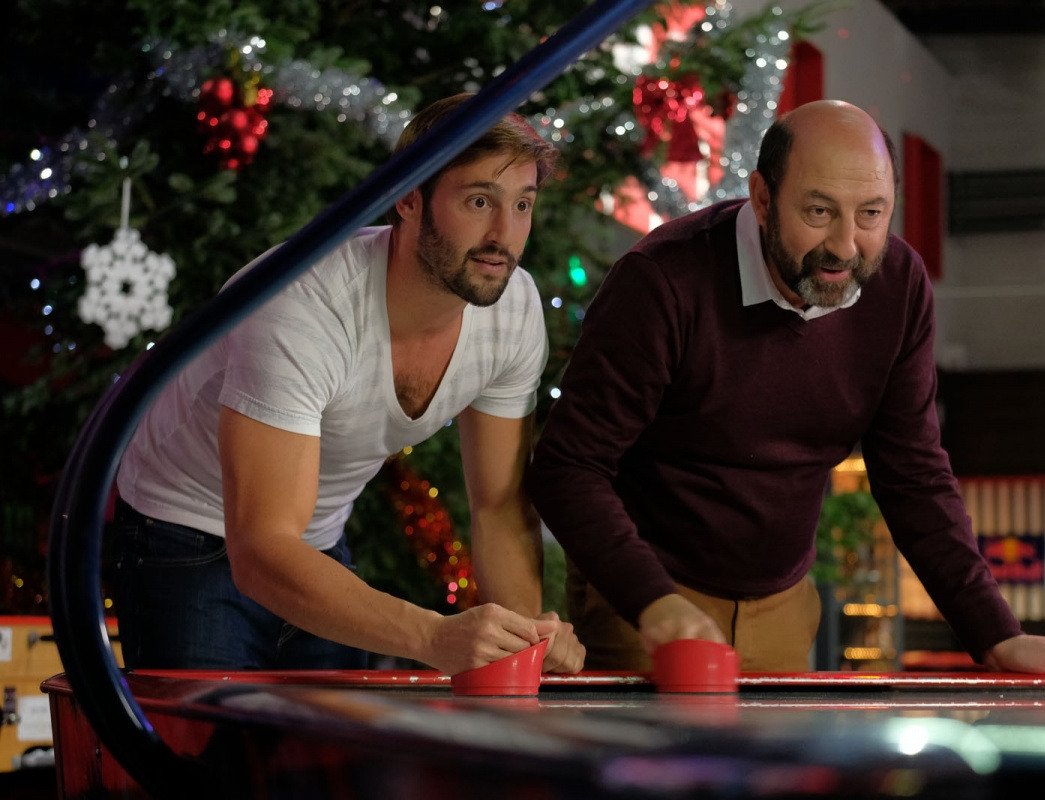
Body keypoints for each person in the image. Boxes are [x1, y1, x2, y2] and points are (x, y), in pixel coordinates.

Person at [526, 99, 1045, 674]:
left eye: (871, 214)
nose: (845, 246)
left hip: (784, 603)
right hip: (645, 599)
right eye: (819, 212)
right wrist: (654, 603)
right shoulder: (664, 279)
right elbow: (567, 466)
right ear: (762, 197)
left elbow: (914, 475)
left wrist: (996, 635)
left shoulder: (899, 286)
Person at [112, 93, 584, 675]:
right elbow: (260, 550)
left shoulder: (513, 309)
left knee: (331, 734)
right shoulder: (304, 301)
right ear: (409, 198)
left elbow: (498, 505)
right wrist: (433, 636)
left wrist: (526, 644)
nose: (503, 235)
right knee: (210, 734)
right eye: (479, 200)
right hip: (183, 526)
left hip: (313, 540)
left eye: (522, 204)